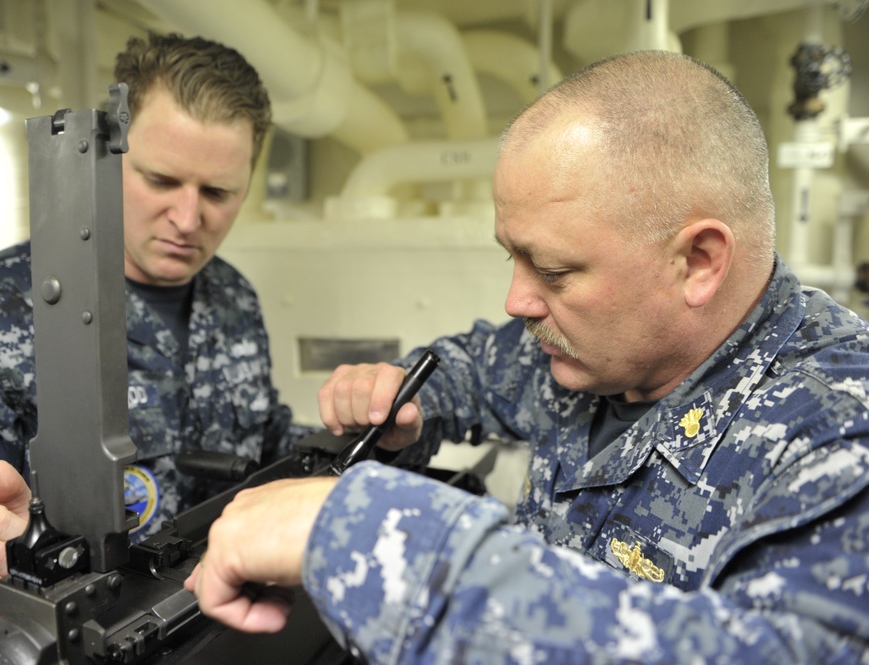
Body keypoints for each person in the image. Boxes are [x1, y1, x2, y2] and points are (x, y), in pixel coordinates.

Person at [185, 50, 869, 663]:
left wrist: (360, 530)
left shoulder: (837, 427)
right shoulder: (591, 347)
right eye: (511, 257)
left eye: (553, 270)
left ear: (696, 261)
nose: (517, 300)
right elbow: (472, 366)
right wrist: (404, 399)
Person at [0, 32, 315, 659]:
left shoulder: (233, 298)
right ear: (108, 157)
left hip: (212, 632)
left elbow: (259, 440)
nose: (188, 220)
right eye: (161, 180)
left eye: (218, 193)